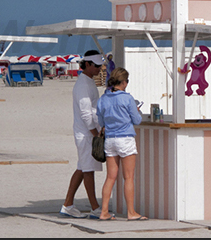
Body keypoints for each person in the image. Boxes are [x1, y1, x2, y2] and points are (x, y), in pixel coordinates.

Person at [96, 67, 146, 221]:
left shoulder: (103, 98)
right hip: (125, 138)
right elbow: (137, 120)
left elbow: (100, 121)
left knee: (110, 177)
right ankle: (131, 212)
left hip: (110, 139)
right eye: (127, 81)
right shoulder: (127, 98)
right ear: (123, 82)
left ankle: (104, 211)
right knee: (128, 177)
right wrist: (137, 110)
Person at [60, 50, 104, 219]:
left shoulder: (87, 82)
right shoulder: (83, 85)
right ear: (87, 64)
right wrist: (95, 134)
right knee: (88, 170)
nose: (99, 68)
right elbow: (86, 113)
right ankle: (95, 208)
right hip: (86, 133)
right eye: (96, 65)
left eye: (100, 65)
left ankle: (68, 204)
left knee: (82, 168)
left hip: (86, 132)